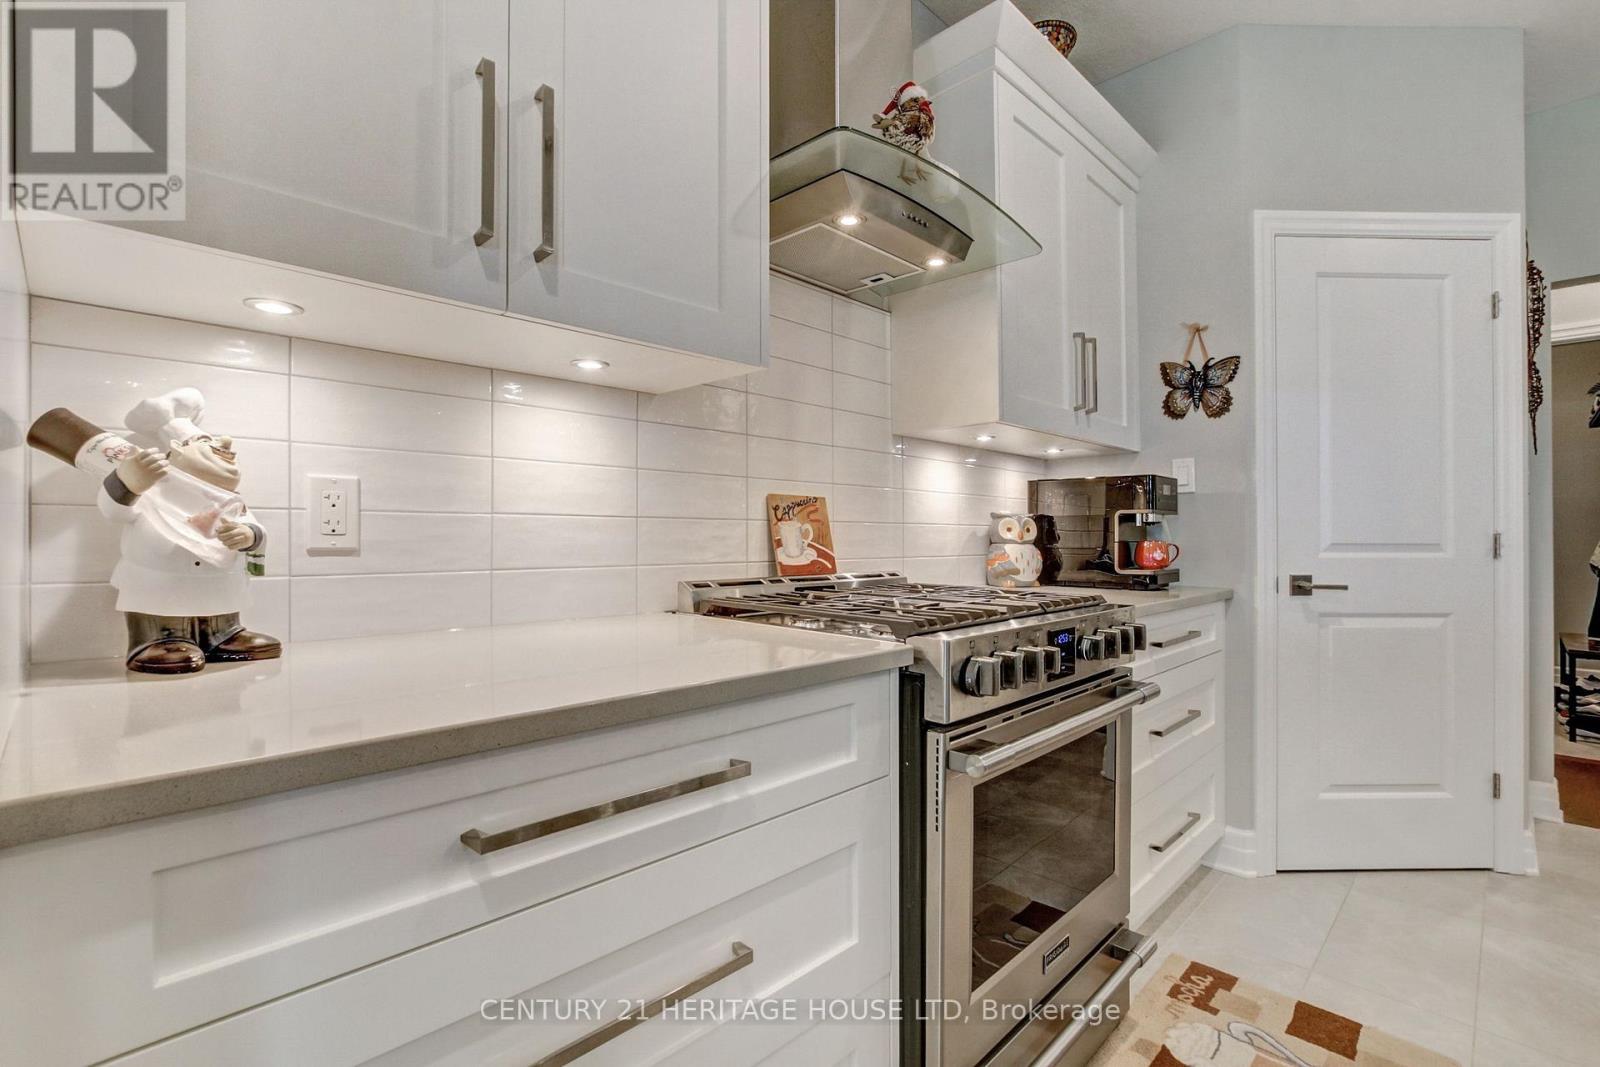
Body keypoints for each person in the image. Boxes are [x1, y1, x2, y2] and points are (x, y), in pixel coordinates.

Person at [97, 388, 281, 673]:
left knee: (218, 603)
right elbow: (114, 511)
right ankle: (158, 640)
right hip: (157, 586)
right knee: (162, 610)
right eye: (205, 442)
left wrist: (248, 535)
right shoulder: (152, 492)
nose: (226, 442)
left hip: (220, 588)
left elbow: (254, 527)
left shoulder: (230, 501)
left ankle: (222, 636)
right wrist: (128, 481)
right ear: (177, 452)